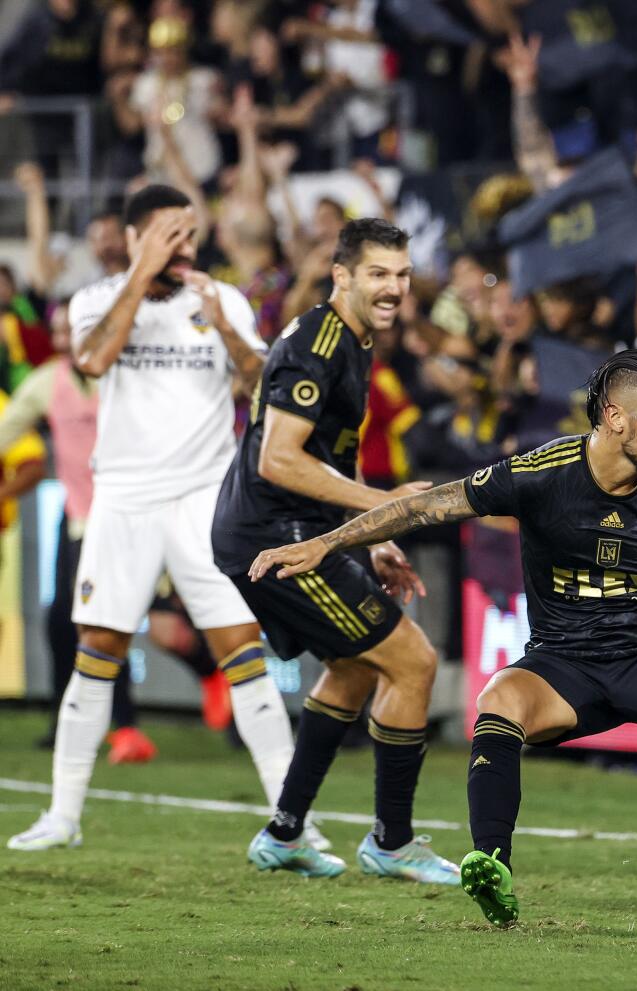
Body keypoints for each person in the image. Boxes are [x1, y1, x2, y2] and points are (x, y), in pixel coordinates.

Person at [246, 349, 637, 934]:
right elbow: (425, 506)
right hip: (565, 661)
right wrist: (324, 543)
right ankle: (491, 867)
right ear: (615, 418)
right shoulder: (541, 473)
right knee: (499, 700)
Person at [7, 184, 299, 853]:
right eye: (170, 234)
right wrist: (140, 276)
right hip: (125, 500)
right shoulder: (96, 299)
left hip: (204, 498)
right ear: (138, 238)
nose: (185, 248)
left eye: (190, 235)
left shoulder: (221, 297)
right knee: (98, 649)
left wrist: (225, 326)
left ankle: (292, 821)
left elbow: (262, 381)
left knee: (242, 651)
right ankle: (63, 815)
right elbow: (92, 359)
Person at [213, 218, 459, 885]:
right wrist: (382, 506)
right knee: (413, 662)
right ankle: (393, 842)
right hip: (274, 536)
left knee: (354, 668)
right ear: (342, 275)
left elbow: (321, 458)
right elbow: (279, 459)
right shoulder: (318, 344)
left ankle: (286, 832)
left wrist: (367, 540)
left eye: (403, 275)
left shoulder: (354, 337)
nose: (394, 288)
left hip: (295, 529)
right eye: (378, 273)